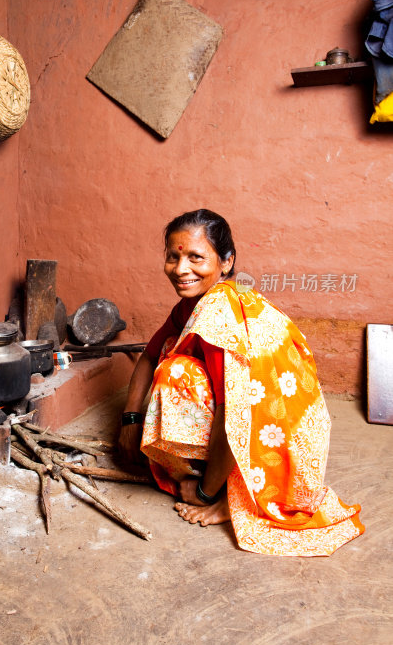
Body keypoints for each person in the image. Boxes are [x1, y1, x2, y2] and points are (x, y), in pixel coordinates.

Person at [118, 209, 364, 557]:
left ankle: (230, 497)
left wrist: (205, 492)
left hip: (283, 434)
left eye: (196, 257)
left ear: (227, 262)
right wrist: (130, 419)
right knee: (172, 354)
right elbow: (148, 354)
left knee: (176, 373)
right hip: (269, 420)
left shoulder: (220, 312)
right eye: (173, 257)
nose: (181, 268)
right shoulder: (194, 303)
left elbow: (234, 414)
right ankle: (221, 483)